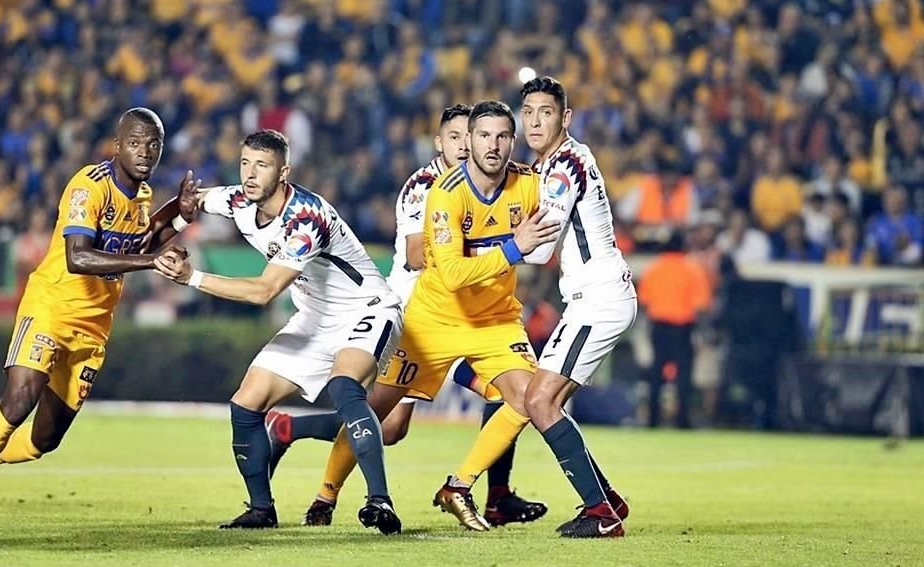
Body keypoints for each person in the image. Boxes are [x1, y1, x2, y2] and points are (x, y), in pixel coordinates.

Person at [266, 104, 547, 527]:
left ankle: (494, 494)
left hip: (476, 315)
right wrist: (495, 244)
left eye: (469, 137)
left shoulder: (496, 184)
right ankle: (316, 477)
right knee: (384, 421)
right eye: (455, 137)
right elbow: (419, 255)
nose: (466, 145)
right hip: (417, 313)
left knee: (509, 397)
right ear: (445, 142)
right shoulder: (425, 187)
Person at [153, 130, 403, 534]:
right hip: (314, 317)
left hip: (367, 309)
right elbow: (191, 201)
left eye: (262, 165)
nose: (250, 175)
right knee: (245, 403)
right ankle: (260, 509)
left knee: (344, 388)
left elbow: (264, 291)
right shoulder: (237, 198)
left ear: (283, 172)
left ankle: (380, 502)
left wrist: (190, 277)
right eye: (245, 163)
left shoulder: (306, 219)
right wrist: (164, 227)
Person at [0, 108, 197, 513]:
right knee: (19, 401)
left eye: (154, 144)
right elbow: (78, 257)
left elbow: (136, 246)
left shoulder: (142, 197)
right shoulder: (88, 186)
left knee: (44, 441)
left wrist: (178, 215)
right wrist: (151, 262)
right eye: (136, 142)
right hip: (51, 307)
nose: (145, 152)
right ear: (118, 145)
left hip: (93, 329)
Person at [443, 76, 637, 538]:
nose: (533, 121)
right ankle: (605, 500)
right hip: (594, 297)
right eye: (527, 112)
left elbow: (533, 252)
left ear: (564, 118)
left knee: (537, 399)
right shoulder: (560, 160)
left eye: (545, 112)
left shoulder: (563, 166)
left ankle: (600, 514)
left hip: (599, 298)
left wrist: (481, 244)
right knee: (548, 401)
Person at [637, 231, 712, 429]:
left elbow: (643, 301)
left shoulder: (654, 268)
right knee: (683, 376)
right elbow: (702, 305)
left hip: (659, 327)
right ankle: (682, 421)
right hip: (683, 328)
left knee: (656, 375)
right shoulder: (692, 269)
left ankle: (652, 419)